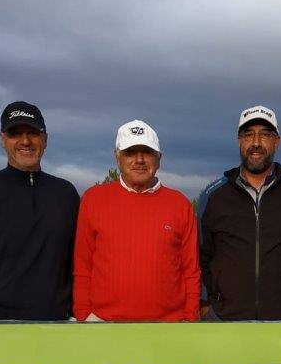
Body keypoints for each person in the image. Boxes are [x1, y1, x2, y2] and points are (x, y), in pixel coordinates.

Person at [0, 101, 79, 320]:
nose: (25, 141)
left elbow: (78, 263)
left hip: (57, 323)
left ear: (45, 139)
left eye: (33, 133)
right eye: (15, 133)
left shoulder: (65, 193)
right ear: (3, 140)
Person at [198, 106, 281, 320]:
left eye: (264, 135)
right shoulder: (214, 195)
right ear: (239, 141)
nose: (256, 143)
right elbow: (201, 255)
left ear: (276, 142)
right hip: (226, 321)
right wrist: (207, 304)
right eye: (248, 135)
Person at [72, 121, 200, 322]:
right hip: (102, 323)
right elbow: (82, 265)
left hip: (169, 325)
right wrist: (83, 315)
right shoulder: (93, 199)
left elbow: (191, 270)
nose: (139, 160)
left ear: (159, 158)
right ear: (117, 157)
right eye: (130, 152)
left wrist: (190, 317)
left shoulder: (180, 204)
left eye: (147, 152)